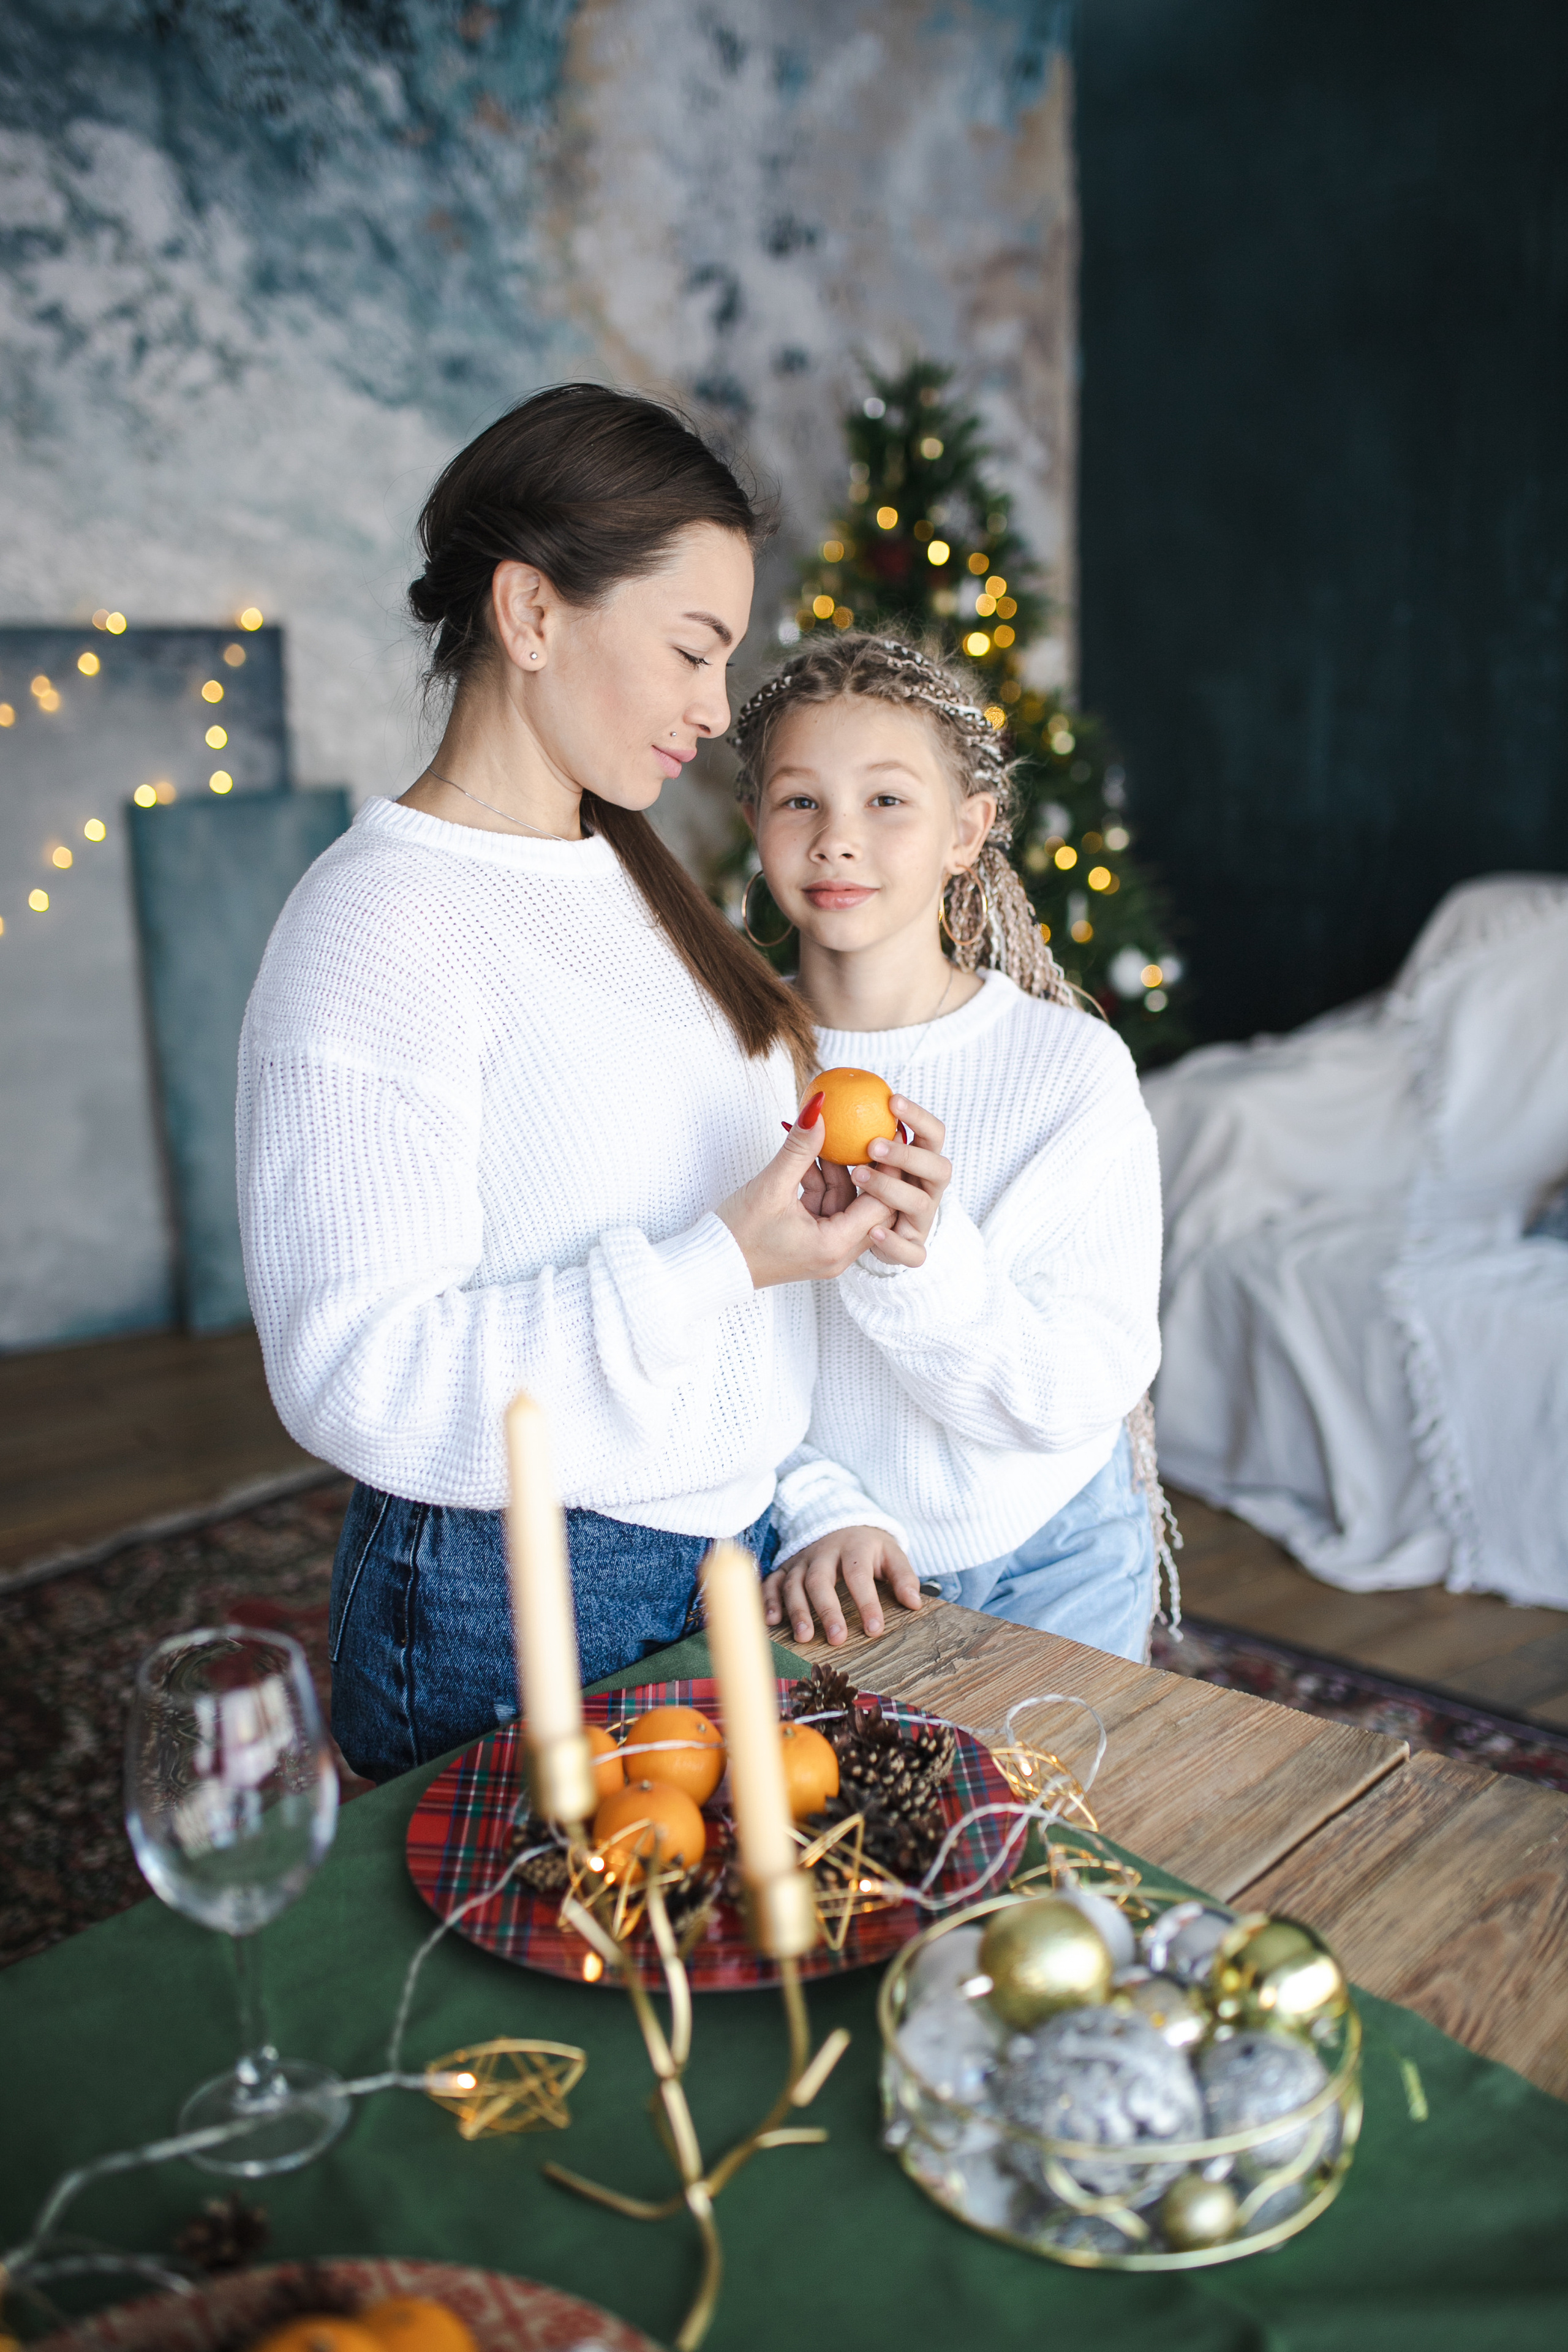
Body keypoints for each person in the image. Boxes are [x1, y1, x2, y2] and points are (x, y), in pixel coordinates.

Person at [237, 386, 888, 1781]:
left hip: (726, 1555)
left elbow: (697, 1251)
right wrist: (722, 1259)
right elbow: (353, 1372)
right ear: (530, 616)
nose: (717, 715)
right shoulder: (377, 927)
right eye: (690, 652)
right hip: (507, 1594)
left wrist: (798, 1485)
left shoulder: (631, 884)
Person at [734, 634, 1174, 1665]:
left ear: (967, 830)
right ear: (753, 823)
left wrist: (919, 1264)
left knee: (1055, 1827)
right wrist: (817, 1507)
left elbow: (1078, 1390)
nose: (839, 839)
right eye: (800, 800)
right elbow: (716, 1358)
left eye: (888, 801)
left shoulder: (1071, 1071)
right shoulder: (730, 1068)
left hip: (1057, 1551)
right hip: (836, 1565)